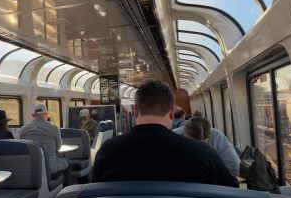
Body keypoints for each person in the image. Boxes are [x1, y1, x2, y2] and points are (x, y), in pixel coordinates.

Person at [92, 79, 238, 187]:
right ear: (172, 112)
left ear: (135, 111)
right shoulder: (204, 154)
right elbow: (232, 190)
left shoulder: (107, 151)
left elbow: (96, 196)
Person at [174, 116, 241, 177]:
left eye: (203, 146)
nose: (198, 150)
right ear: (183, 135)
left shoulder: (216, 137)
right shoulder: (172, 139)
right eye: (193, 145)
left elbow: (236, 170)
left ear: (209, 136)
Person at [20, 104, 68, 180]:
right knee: (66, 161)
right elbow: (58, 147)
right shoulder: (53, 127)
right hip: (50, 169)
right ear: (46, 114)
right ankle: (66, 190)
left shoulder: (23, 129)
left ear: (33, 115)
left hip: (31, 169)